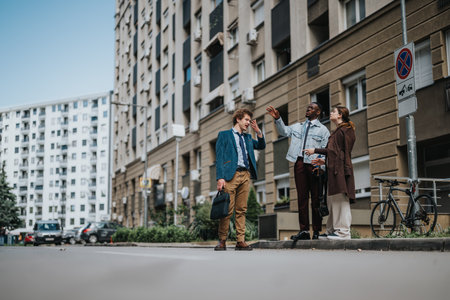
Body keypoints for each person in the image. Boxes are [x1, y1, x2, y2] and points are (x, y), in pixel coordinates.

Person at [266, 103, 330, 240]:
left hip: (314, 165)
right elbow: (284, 132)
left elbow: (325, 150)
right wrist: (278, 118)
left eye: (312, 108)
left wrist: (321, 167)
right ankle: (304, 231)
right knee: (302, 198)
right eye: (307, 107)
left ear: (318, 112)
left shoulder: (323, 130)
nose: (308, 109)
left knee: (316, 200)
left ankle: (317, 231)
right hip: (299, 163)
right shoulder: (298, 126)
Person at [215, 108, 266, 251]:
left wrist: (258, 132)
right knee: (227, 210)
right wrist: (220, 177)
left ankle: (240, 241)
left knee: (241, 210)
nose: (249, 123)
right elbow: (219, 158)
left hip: (245, 175)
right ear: (238, 119)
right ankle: (222, 240)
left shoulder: (248, 138)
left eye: (250, 120)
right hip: (230, 176)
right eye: (246, 120)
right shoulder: (224, 135)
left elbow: (261, 145)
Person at [304, 106, 356, 240]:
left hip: (341, 171)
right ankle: (332, 230)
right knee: (332, 201)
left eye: (333, 111)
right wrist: (324, 162)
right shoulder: (337, 131)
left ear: (340, 115)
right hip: (333, 170)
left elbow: (339, 153)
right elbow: (334, 152)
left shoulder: (346, 130)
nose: (331, 113)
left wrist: (315, 149)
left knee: (340, 201)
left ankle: (343, 232)